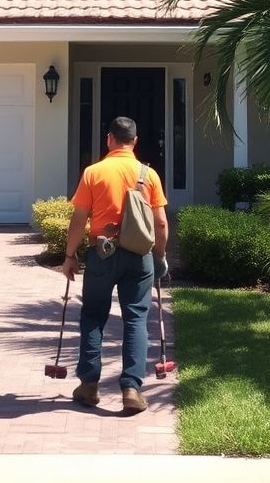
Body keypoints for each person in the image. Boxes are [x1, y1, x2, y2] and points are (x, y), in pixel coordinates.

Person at [62, 115, 170, 415]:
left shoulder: (93, 172)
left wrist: (70, 256)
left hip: (101, 252)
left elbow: (78, 219)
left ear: (109, 139)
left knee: (94, 314)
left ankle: (88, 385)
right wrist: (159, 257)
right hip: (139, 256)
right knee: (135, 318)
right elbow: (160, 222)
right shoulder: (148, 175)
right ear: (134, 141)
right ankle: (132, 389)